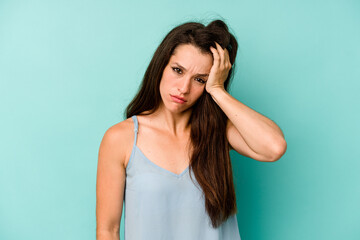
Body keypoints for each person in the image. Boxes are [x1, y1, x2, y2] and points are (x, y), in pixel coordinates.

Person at [96, 19, 287, 240]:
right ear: (161, 66)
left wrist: (217, 90)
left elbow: (274, 147)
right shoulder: (121, 138)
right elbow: (108, 230)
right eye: (177, 70)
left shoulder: (218, 132)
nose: (184, 88)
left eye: (199, 80)